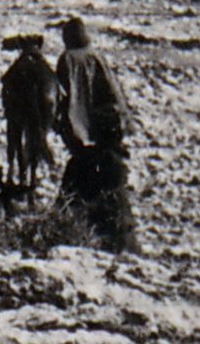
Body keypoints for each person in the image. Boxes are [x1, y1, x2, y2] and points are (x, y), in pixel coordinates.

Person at [53, 14, 137, 251]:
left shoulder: (67, 60)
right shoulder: (97, 57)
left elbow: (65, 101)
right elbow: (114, 92)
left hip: (83, 140)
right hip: (107, 139)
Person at [0, 29, 59, 192]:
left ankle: (13, 174)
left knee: (14, 129)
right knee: (37, 133)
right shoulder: (46, 70)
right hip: (48, 100)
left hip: (16, 104)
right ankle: (32, 179)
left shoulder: (16, 69)